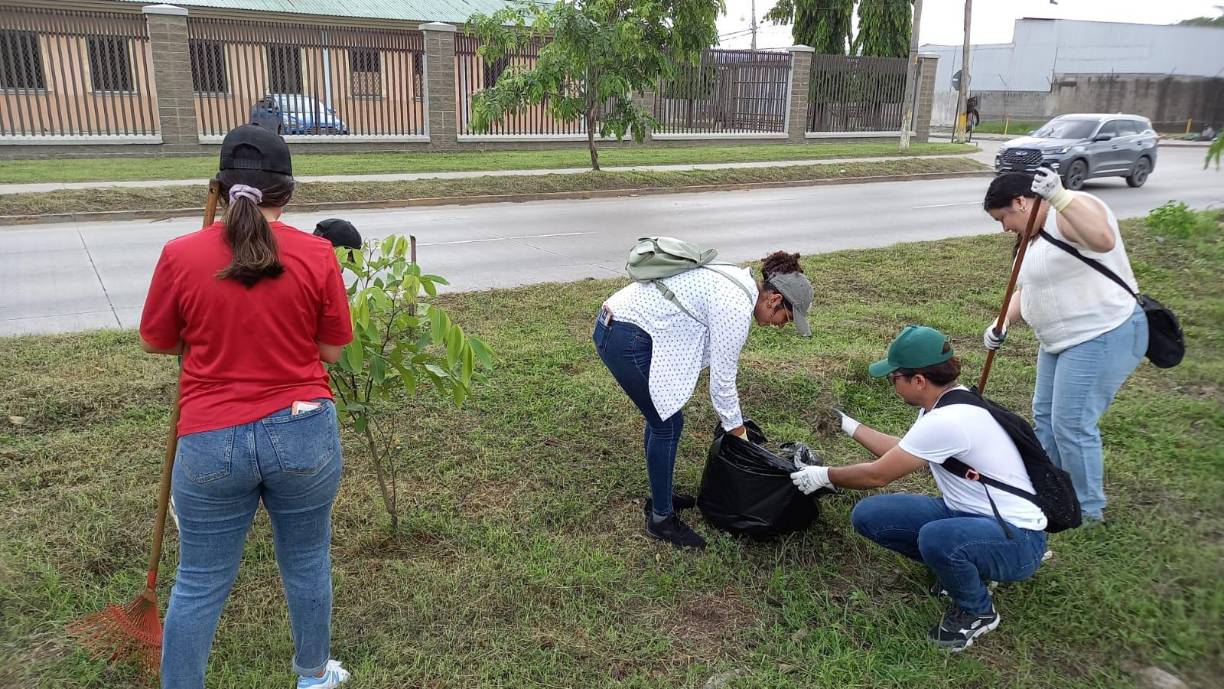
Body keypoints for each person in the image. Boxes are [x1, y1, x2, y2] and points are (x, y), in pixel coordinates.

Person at [139, 124, 354, 689]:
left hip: (210, 439)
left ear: (221, 187)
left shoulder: (181, 254)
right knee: (306, 560)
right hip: (304, 430)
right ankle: (313, 675)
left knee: (200, 579)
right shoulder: (317, 255)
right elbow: (331, 350)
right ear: (288, 191)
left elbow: (157, 340)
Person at [790, 326, 1048, 651]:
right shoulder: (945, 404)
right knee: (871, 515)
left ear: (918, 381)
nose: (891, 383)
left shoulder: (947, 420)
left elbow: (877, 476)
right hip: (970, 516)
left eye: (893, 377)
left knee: (936, 538)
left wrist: (824, 475)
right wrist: (848, 424)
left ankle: (977, 610)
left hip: (1019, 541)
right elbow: (903, 449)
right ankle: (963, 568)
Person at [595, 250, 815, 549]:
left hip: (619, 324)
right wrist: (739, 435)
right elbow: (722, 383)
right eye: (786, 318)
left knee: (662, 417)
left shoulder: (739, 283)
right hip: (624, 336)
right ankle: (661, 519)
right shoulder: (736, 305)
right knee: (668, 423)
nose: (782, 325)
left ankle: (661, 498)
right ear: (774, 300)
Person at [980, 168, 1147, 524]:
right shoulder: (1033, 238)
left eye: (1003, 217)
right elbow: (1029, 290)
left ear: (1021, 202)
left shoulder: (1069, 213)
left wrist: (1061, 196)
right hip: (1058, 341)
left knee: (1071, 423)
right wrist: (1002, 321)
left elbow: (1103, 240)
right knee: (1045, 418)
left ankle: (1087, 509)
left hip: (1101, 332)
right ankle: (1053, 490)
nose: (1004, 227)